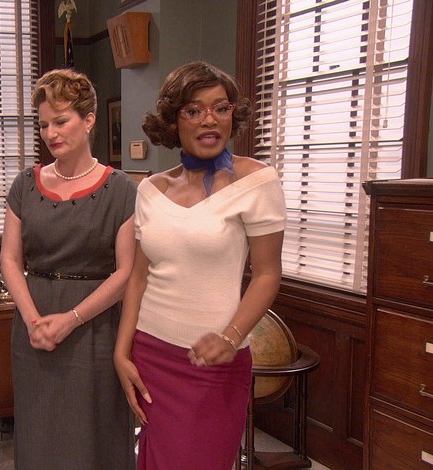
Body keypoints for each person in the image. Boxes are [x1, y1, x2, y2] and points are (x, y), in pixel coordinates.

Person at [114, 61, 286, 469]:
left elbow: (267, 274)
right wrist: (122, 353)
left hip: (214, 362)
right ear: (173, 121)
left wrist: (230, 337)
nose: (210, 120)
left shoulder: (258, 181)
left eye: (220, 108)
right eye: (194, 110)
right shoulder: (151, 189)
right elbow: (138, 278)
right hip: (151, 356)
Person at [0, 68, 137, 469]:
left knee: (93, 432)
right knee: (40, 433)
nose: (50, 133)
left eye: (61, 121)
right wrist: (33, 320)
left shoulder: (122, 189)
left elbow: (126, 272)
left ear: (89, 119)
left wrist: (72, 319)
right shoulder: (25, 184)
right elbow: (10, 259)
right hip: (34, 325)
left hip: (95, 326)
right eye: (44, 124)